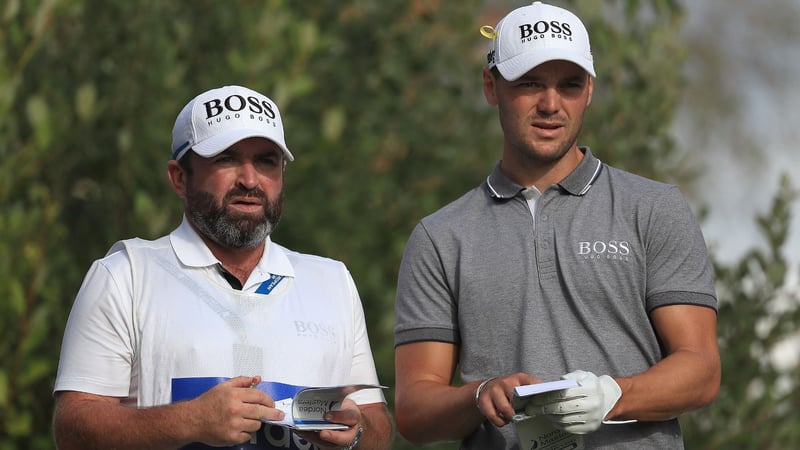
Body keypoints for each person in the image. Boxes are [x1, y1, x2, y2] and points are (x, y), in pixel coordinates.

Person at [393, 2, 720, 449]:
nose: (550, 104)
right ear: (492, 86)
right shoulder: (440, 237)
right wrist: (478, 397)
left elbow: (701, 369)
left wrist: (612, 396)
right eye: (530, 83)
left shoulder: (654, 208)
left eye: (569, 85)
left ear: (589, 91)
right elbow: (413, 411)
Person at [52, 85, 393, 450]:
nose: (249, 180)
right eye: (226, 159)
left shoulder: (332, 282)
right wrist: (189, 421)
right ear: (179, 178)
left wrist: (356, 432)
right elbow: (72, 429)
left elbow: (378, 428)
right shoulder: (125, 275)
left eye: (266, 161)